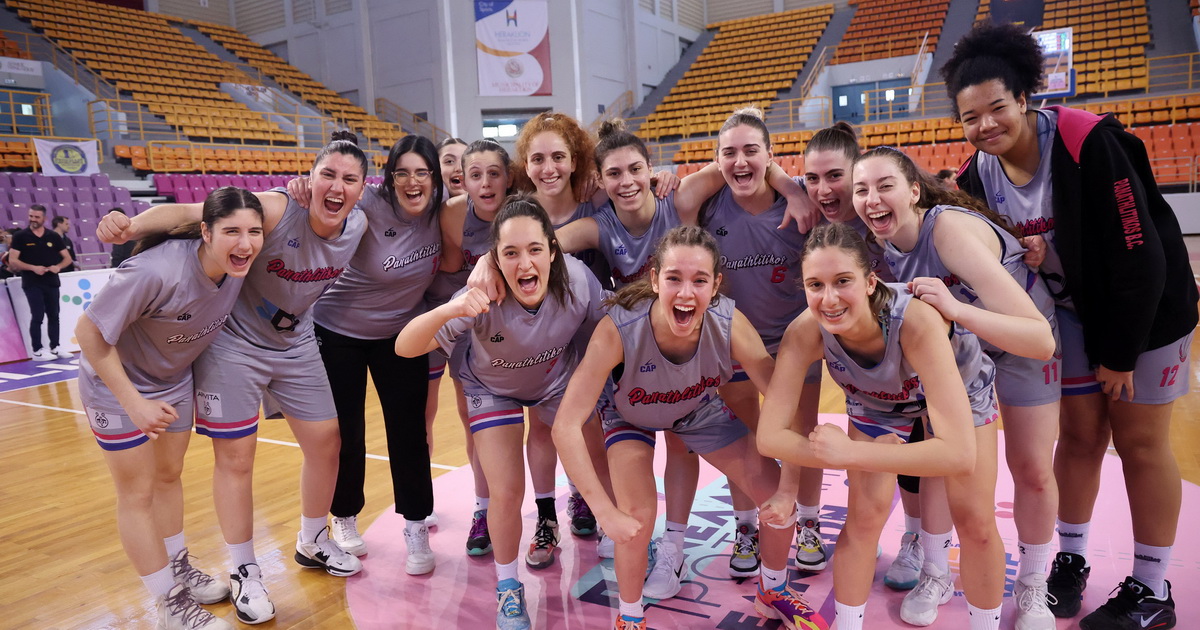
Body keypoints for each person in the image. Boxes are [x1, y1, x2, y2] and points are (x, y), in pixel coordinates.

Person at [944, 22, 1198, 629]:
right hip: (1070, 315)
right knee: (1080, 440)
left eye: (997, 108)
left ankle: (1152, 589)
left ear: (1024, 97)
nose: (986, 126)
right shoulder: (978, 174)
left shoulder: (1089, 142)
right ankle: (1071, 559)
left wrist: (1121, 354)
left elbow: (1142, 258)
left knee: (1139, 444)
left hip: (1146, 315)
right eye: (970, 117)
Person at [95, 131, 370, 625]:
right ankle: (245, 568)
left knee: (328, 441)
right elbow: (188, 214)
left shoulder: (360, 224)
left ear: (362, 189)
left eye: (349, 179)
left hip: (296, 342)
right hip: (233, 344)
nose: (337, 186)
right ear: (308, 179)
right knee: (236, 458)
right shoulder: (275, 208)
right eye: (327, 174)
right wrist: (129, 225)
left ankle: (312, 539)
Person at [553, 226, 827, 630]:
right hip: (630, 416)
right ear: (654, 279)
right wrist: (604, 512)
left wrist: (788, 491)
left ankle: (773, 590)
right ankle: (630, 617)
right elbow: (565, 426)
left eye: (699, 280)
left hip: (696, 409)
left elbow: (786, 407)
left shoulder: (729, 322)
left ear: (715, 285)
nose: (686, 293)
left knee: (774, 497)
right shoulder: (619, 329)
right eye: (674, 278)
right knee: (635, 517)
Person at [758, 222, 1005, 630]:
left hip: (957, 388)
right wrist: (849, 455)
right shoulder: (804, 332)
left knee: (975, 521)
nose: (829, 298)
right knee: (864, 517)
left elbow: (959, 455)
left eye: (843, 281)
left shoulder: (916, 323)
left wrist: (853, 453)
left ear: (871, 282)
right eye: (815, 285)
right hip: (878, 401)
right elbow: (770, 437)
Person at [853, 145, 1060, 628]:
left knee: (1032, 468)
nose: (871, 198)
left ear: (913, 191)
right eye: (861, 190)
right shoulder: (882, 241)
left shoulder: (946, 229)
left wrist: (955, 309)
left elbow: (1040, 341)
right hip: (965, 349)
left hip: (1021, 342)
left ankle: (1033, 585)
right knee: (940, 459)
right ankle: (935, 572)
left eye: (884, 186)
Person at [395, 196, 612, 630]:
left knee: (595, 448)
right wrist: (453, 307)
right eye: (510, 253)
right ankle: (509, 588)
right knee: (507, 491)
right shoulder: (480, 297)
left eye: (534, 249)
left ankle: (610, 526)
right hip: (492, 388)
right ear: (495, 258)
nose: (524, 263)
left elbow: (605, 334)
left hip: (555, 378)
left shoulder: (577, 280)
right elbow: (405, 347)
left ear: (552, 250)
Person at [76, 186, 264, 630]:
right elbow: (87, 334)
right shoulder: (155, 271)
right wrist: (134, 403)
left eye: (254, 232)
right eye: (232, 231)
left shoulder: (237, 265)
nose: (245, 243)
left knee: (168, 476)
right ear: (206, 232)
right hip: (116, 386)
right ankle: (168, 604)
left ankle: (177, 568)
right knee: (136, 494)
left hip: (172, 380)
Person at [287, 135, 460, 574]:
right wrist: (303, 189)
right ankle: (343, 517)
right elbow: (326, 201)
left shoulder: (441, 210)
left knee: (410, 432)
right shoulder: (367, 204)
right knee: (346, 432)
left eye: (422, 173)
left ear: (434, 178)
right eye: (402, 172)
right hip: (337, 330)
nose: (412, 182)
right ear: (389, 177)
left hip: (402, 334)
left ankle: (416, 525)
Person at [803, 122, 928, 592]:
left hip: (922, 348)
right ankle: (871, 529)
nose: (823, 190)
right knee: (868, 462)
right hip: (864, 363)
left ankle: (918, 539)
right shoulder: (815, 216)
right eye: (812, 180)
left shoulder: (887, 216)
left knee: (920, 453)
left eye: (836, 177)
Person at [703, 108, 825, 575]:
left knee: (802, 434)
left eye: (751, 151)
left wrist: (790, 187)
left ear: (770, 156)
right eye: (729, 152)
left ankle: (808, 521)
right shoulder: (710, 206)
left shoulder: (801, 205)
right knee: (745, 438)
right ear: (717, 159)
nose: (740, 161)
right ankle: (746, 527)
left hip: (794, 342)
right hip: (733, 342)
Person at [8, 204, 73, 361]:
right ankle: (37, 350)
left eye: (37, 217)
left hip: (51, 281)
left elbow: (67, 258)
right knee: (37, 315)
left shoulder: (53, 236)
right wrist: (33, 268)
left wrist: (58, 267)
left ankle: (55, 346)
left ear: (44, 218)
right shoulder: (21, 236)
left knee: (54, 315)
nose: (33, 219)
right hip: (32, 282)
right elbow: (13, 260)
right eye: (31, 216)